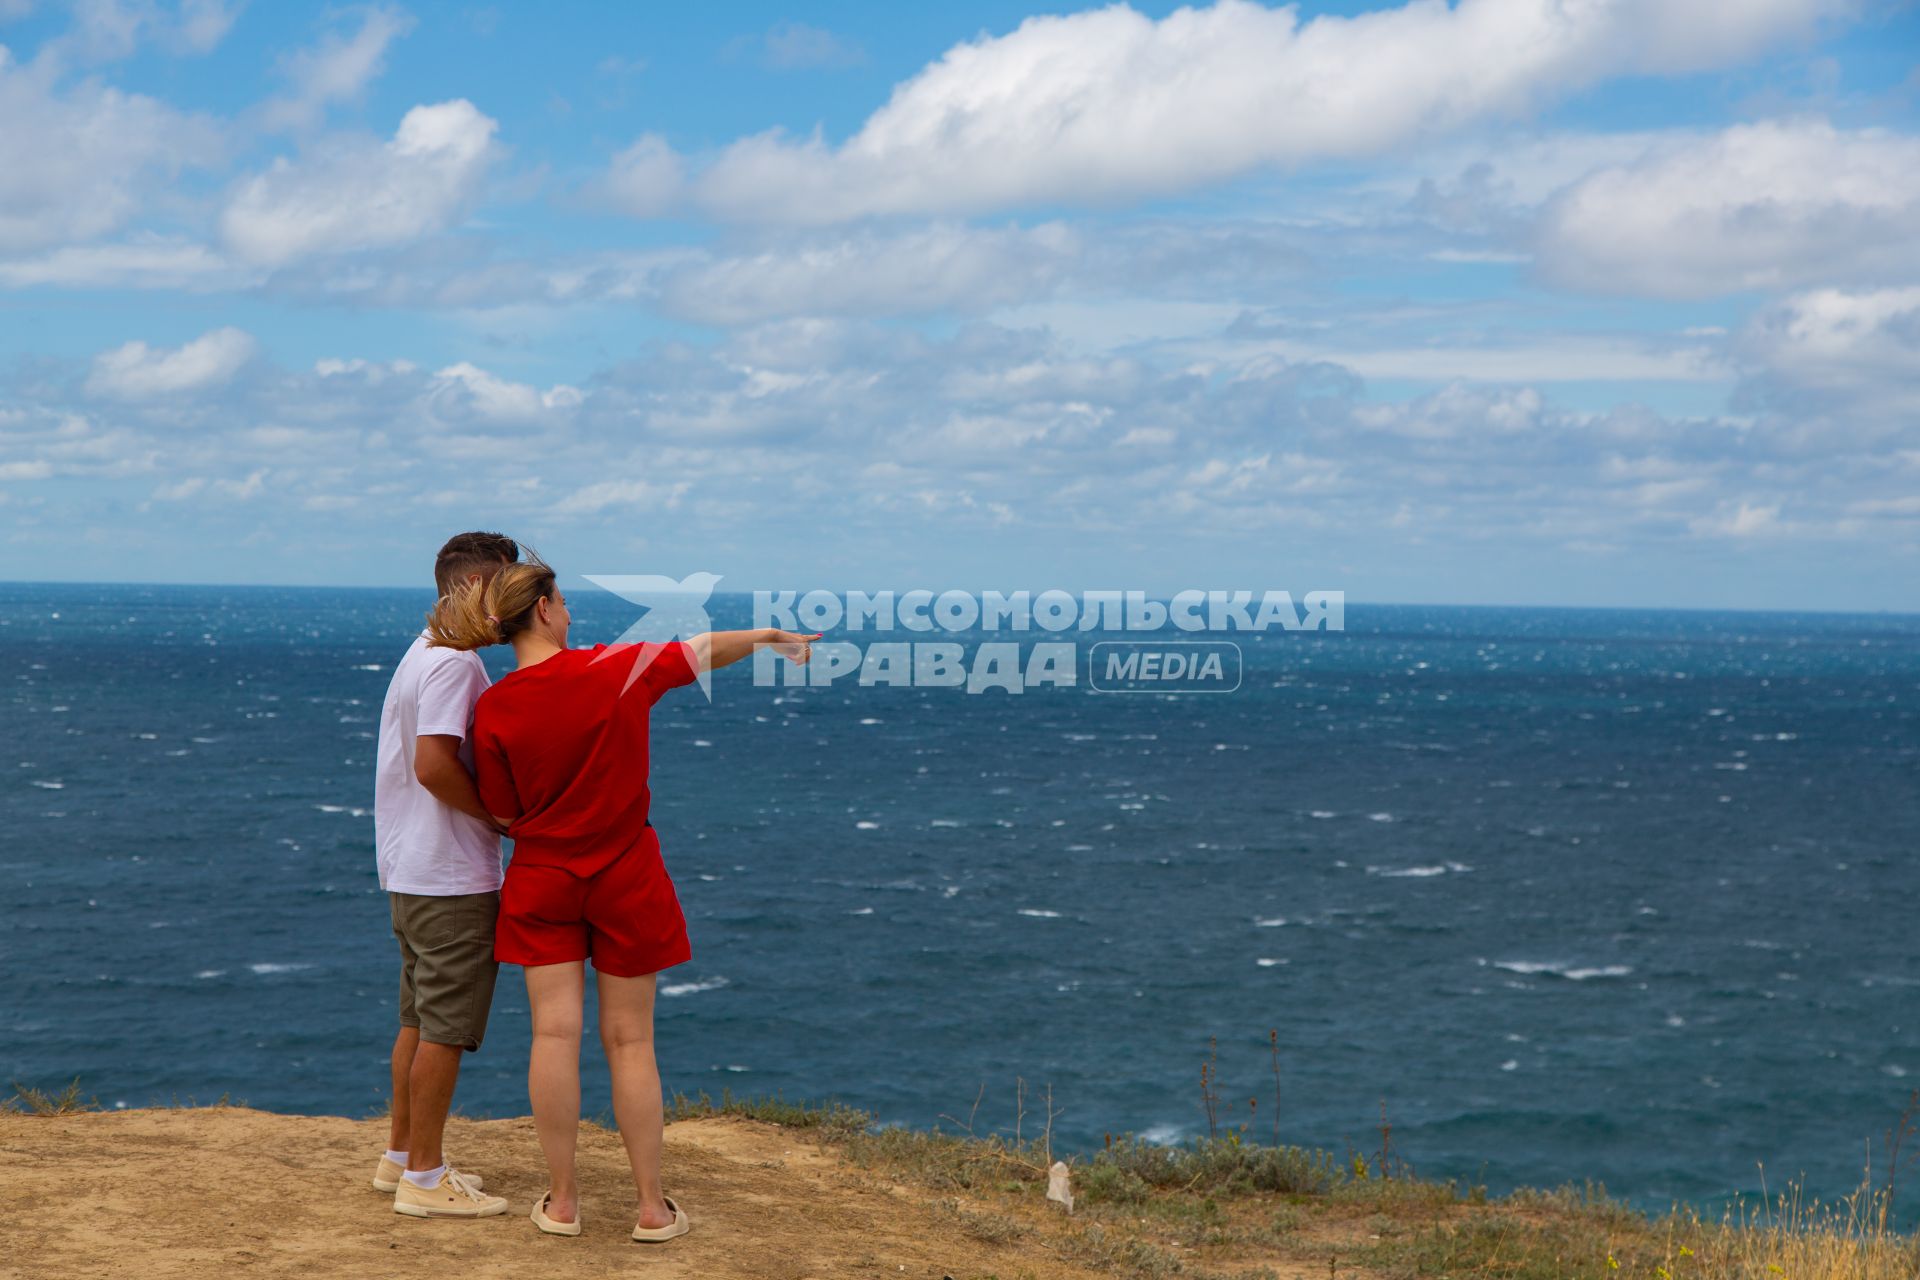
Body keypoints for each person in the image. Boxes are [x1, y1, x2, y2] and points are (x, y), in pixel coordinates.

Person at [425, 554, 817, 1242]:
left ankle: (565, 1202)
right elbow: (699, 650)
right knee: (631, 1041)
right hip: (626, 875)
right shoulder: (616, 669)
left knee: (553, 1034)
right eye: (565, 602)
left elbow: (503, 808)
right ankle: (650, 1208)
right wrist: (767, 636)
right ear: (544, 608)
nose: (571, 613)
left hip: (543, 876)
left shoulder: (493, 708)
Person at [371, 531, 518, 1220]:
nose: (513, 600)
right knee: (445, 1031)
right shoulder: (456, 665)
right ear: (468, 589)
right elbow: (434, 765)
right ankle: (424, 1180)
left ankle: (400, 1155)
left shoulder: (420, 651)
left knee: (417, 1019)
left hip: (409, 869)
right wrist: (500, 818)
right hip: (449, 877)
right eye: (503, 585)